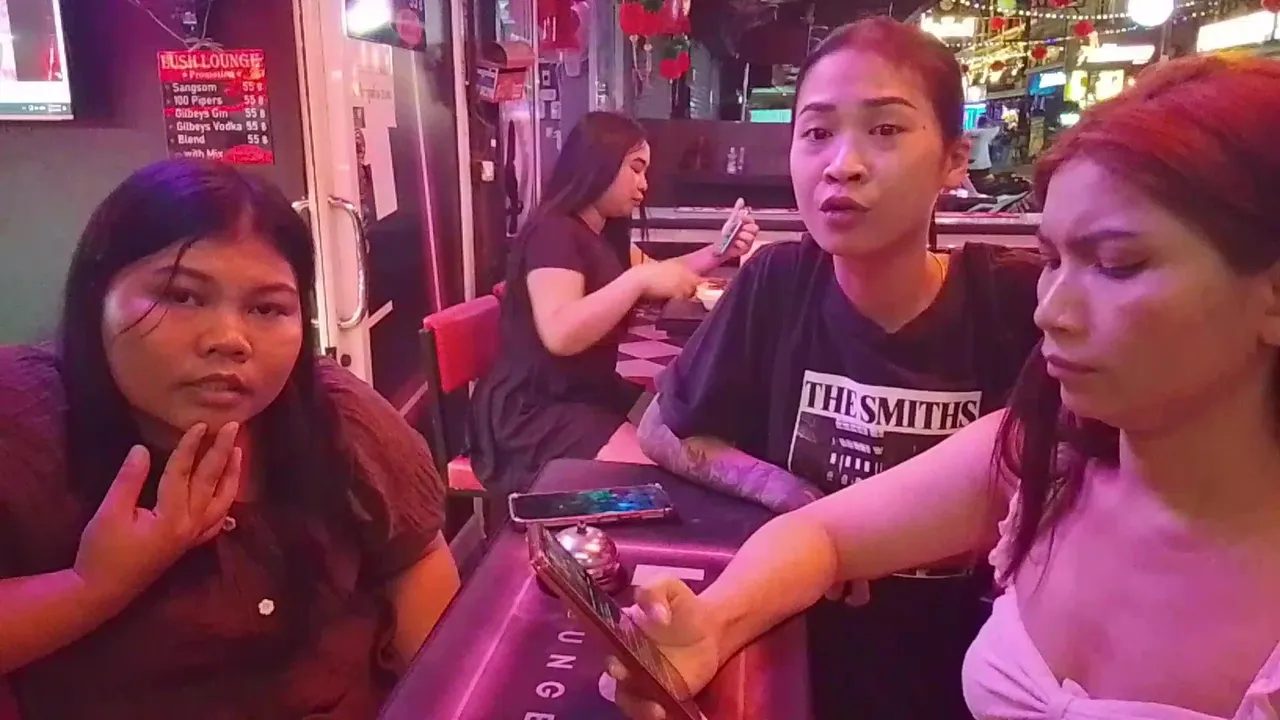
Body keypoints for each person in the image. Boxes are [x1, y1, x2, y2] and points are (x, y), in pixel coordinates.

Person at [612, 54, 1280, 720]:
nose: (1052, 311)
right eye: (1052, 259)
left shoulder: (998, 308)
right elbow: (820, 536)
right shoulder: (1045, 453)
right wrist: (712, 625)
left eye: (1116, 264)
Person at [634, 18, 1041, 719]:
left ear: (954, 159)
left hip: (970, 680)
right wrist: (793, 498)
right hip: (794, 655)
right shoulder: (777, 282)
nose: (842, 164)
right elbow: (662, 429)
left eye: (885, 129)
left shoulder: (1016, 302)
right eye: (817, 132)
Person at [0, 159, 458, 719]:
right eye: (182, 297)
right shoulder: (22, 419)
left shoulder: (336, 412)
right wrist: (91, 585)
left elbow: (415, 560)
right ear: (96, 295)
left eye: (267, 308)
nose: (229, 339)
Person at [468, 111, 757, 494]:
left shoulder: (603, 236)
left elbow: (662, 273)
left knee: (692, 430)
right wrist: (637, 280)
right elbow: (560, 333)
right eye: (636, 168)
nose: (644, 183)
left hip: (590, 392)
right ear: (598, 163)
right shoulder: (553, 232)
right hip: (535, 411)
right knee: (665, 477)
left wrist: (720, 251)